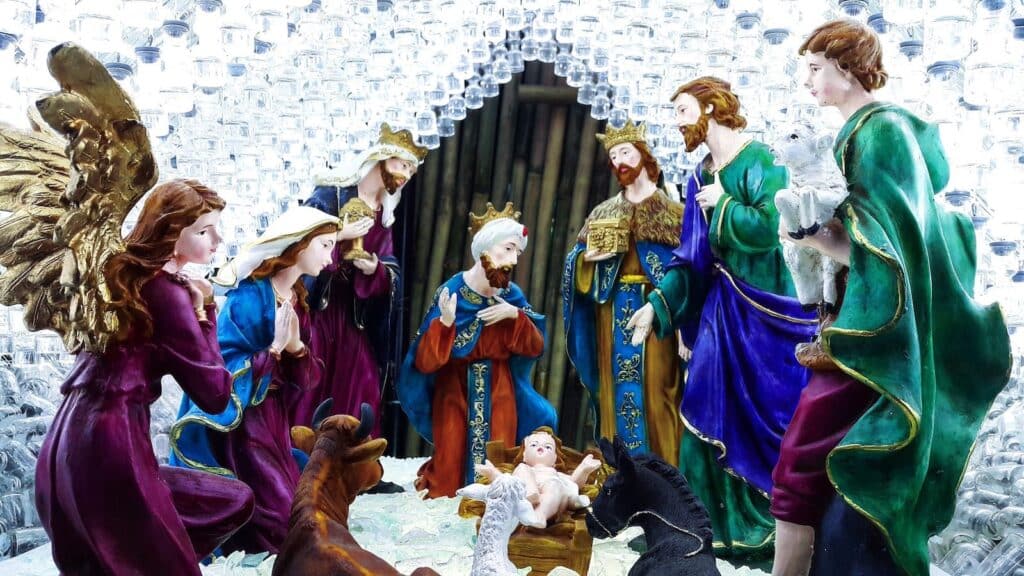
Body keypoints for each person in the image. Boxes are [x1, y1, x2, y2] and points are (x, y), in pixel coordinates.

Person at [769, 20, 1012, 576]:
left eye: (815, 68)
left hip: (876, 338)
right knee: (807, 465)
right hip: (855, 326)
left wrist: (813, 235)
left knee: (798, 461)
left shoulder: (881, 132)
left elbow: (888, 252)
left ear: (848, 68)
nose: (806, 81)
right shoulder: (856, 134)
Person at [627, 77, 818, 556]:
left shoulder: (762, 160)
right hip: (722, 308)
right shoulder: (698, 175)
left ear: (711, 108)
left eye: (683, 110)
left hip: (768, 310)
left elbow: (772, 228)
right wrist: (656, 305)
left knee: (774, 415)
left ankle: (765, 527)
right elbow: (691, 257)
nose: (677, 122)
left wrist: (726, 205)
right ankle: (696, 526)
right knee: (701, 404)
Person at [35, 179, 255, 575]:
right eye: (204, 231)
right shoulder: (166, 293)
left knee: (224, 504)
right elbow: (215, 394)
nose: (218, 240)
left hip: (68, 442)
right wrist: (205, 312)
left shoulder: (123, 279)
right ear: (171, 232)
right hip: (112, 445)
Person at [170, 206, 338, 554]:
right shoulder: (247, 298)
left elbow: (308, 380)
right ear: (299, 244)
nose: (330, 258)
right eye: (325, 246)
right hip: (241, 429)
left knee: (305, 508)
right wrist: (273, 350)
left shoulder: (298, 301)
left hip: (273, 421)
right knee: (283, 521)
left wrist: (295, 349)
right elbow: (221, 364)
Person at [399, 202, 557, 498]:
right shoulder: (452, 291)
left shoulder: (511, 296)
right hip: (455, 389)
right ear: (486, 247)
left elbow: (536, 346)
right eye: (508, 249)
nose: (513, 260)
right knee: (449, 471)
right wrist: (445, 324)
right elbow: (424, 361)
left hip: (499, 389)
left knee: (498, 459)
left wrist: (515, 316)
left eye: (517, 253)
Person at [562, 120, 684, 465]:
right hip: (611, 312)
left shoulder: (674, 213)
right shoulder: (603, 212)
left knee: (659, 390)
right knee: (615, 390)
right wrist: (587, 259)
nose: (619, 162)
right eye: (614, 156)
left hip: (658, 312)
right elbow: (575, 265)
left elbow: (688, 270)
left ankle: (666, 472)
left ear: (644, 155)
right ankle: (623, 471)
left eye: (626, 153)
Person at [296, 124, 427, 443]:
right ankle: (301, 452)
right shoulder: (331, 194)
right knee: (312, 381)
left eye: (410, 170)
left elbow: (389, 265)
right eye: (401, 164)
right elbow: (299, 239)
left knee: (364, 380)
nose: (405, 175)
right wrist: (339, 236)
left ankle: (353, 458)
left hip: (350, 312)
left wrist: (374, 269)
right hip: (318, 308)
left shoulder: (383, 212)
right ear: (380, 159)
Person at [477, 427, 601, 527]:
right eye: (533, 445)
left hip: (550, 503)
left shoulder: (554, 474)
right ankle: (530, 494)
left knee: (555, 486)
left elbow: (573, 482)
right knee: (521, 469)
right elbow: (506, 481)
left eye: (548, 447)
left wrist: (584, 468)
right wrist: (492, 472)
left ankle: (540, 515)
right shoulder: (522, 469)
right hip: (523, 499)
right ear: (524, 455)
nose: (540, 448)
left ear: (554, 459)